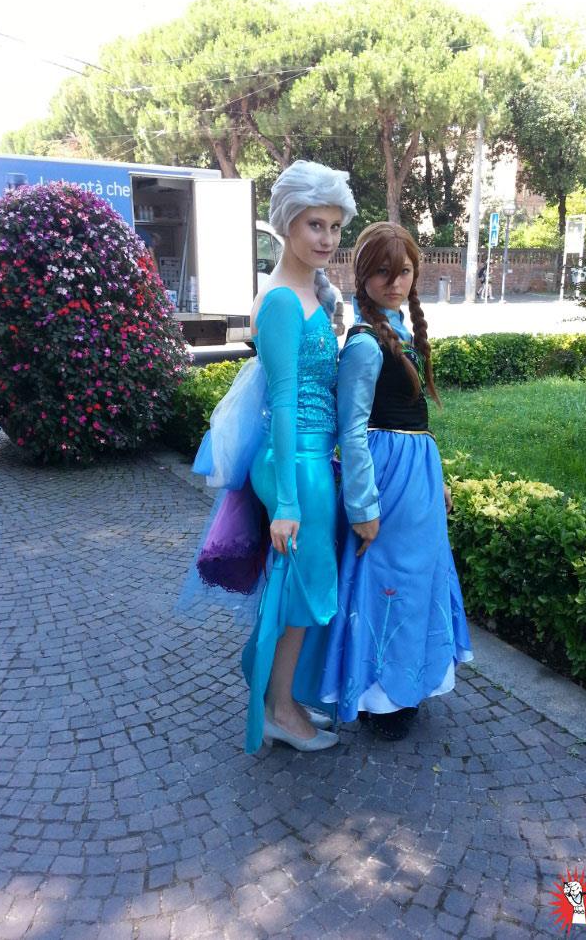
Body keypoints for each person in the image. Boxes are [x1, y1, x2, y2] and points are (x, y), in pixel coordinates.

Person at [320, 222, 473, 740]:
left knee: (416, 582)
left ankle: (407, 684)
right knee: (389, 585)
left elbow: (416, 421)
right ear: (363, 276)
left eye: (404, 271)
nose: (395, 282)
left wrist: (436, 480)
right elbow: (352, 432)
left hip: (415, 480)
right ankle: (380, 698)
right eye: (383, 271)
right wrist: (363, 507)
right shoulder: (365, 345)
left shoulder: (400, 332)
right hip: (386, 483)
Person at [240, 160, 357, 753]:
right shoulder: (284, 301)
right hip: (296, 466)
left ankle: (282, 696)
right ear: (287, 223)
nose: (327, 239)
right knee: (301, 588)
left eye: (335, 227)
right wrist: (286, 501)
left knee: (302, 584)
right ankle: (280, 710)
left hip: (311, 461)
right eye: (315, 225)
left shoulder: (311, 292)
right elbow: (283, 402)